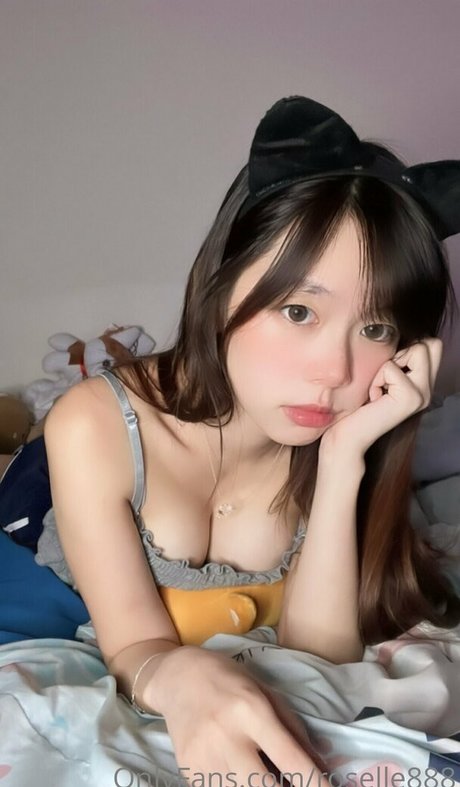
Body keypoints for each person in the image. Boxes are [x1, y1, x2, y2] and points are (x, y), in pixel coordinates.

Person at [44, 96, 460, 782]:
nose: (335, 373)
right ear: (222, 284)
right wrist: (174, 674)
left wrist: (343, 461)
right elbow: (135, 646)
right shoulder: (92, 425)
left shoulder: (339, 434)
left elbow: (319, 657)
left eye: (376, 328)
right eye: (298, 311)